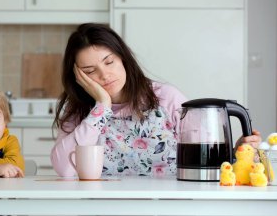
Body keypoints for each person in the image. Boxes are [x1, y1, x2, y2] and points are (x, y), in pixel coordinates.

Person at [50, 23, 261, 177]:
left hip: (170, 204)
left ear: (122, 57)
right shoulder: (78, 112)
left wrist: (236, 154)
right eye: (90, 71)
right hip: (104, 205)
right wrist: (102, 107)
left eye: (109, 62)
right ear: (79, 78)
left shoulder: (166, 97)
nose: (104, 75)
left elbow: (208, 160)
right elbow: (64, 169)